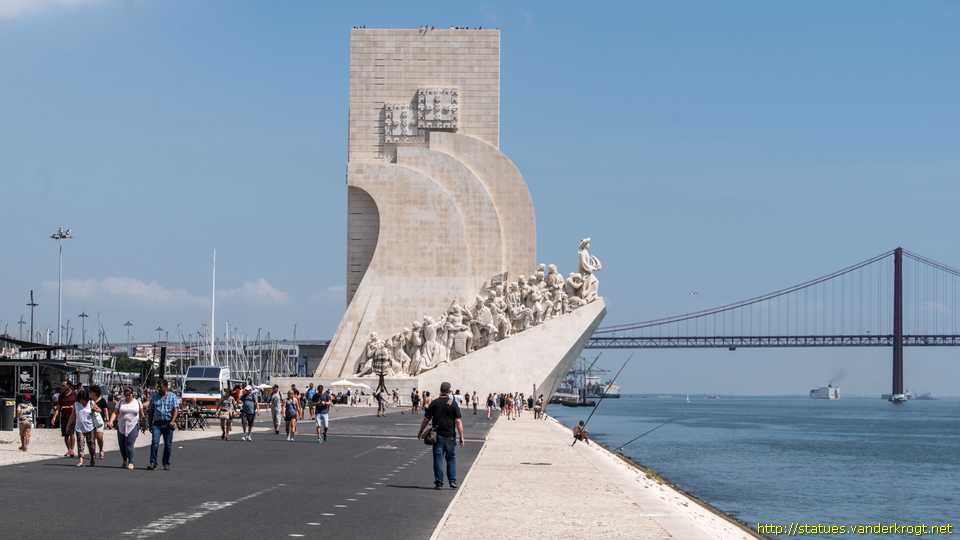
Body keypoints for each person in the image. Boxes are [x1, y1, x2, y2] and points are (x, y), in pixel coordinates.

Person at [418, 382, 464, 489]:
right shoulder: (453, 404)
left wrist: (421, 431)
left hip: (437, 436)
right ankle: (452, 481)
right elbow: (458, 422)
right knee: (451, 458)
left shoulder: (435, 403)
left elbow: (426, 419)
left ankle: (439, 482)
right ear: (449, 391)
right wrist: (461, 437)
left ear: (441, 390)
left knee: (438, 459)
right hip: (450, 436)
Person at [147, 380, 180, 471]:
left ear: (165, 387)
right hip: (157, 424)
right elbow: (151, 411)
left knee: (168, 445)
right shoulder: (154, 397)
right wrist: (149, 424)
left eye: (160, 387)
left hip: (168, 423)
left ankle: (166, 463)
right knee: (155, 443)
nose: (158, 389)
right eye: (158, 387)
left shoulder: (172, 396)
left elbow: (176, 410)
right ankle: (153, 463)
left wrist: (173, 421)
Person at [109, 387, 144, 470]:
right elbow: (115, 412)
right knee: (122, 446)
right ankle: (125, 460)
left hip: (133, 425)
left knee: (129, 444)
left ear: (132, 394)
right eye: (125, 394)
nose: (127, 396)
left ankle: (131, 461)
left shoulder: (137, 402)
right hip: (121, 425)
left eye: (129, 394)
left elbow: (141, 414)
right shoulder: (121, 402)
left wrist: (144, 423)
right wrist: (111, 421)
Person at [69, 389, 102, 467]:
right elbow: (73, 415)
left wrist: (95, 409)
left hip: (90, 427)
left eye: (86, 400)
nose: (84, 402)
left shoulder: (91, 403)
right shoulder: (76, 404)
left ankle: (92, 458)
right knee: (80, 443)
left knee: (91, 444)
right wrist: (69, 424)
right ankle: (81, 460)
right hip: (79, 428)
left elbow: (99, 410)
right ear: (79, 399)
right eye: (82, 400)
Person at [53, 381, 77, 457]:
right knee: (65, 434)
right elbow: (59, 407)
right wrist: (54, 417)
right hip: (63, 416)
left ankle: (72, 450)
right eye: (62, 385)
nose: (62, 387)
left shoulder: (74, 394)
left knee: (71, 433)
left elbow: (78, 405)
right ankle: (69, 449)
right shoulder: (61, 396)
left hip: (72, 416)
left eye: (63, 385)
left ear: (68, 386)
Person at [90, 385, 108, 461]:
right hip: (90, 421)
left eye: (91, 391)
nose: (90, 393)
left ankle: (101, 449)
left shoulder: (102, 400)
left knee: (99, 437)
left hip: (99, 421)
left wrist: (107, 419)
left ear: (95, 392)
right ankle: (93, 453)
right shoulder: (89, 400)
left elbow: (105, 410)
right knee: (92, 438)